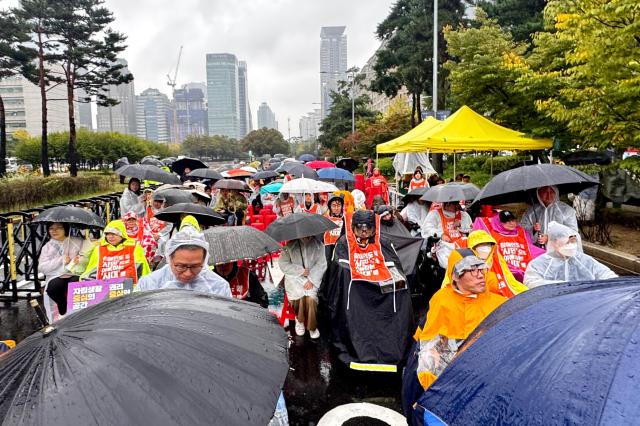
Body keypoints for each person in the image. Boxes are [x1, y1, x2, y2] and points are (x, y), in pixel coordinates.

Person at [402, 255, 506, 420]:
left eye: (482, 270)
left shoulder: (499, 303)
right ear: (456, 276)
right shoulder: (442, 300)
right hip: (447, 368)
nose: (481, 275)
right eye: (473, 270)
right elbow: (429, 340)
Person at [328, 210, 414, 370]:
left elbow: (395, 266)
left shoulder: (385, 243)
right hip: (356, 294)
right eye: (360, 227)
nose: (364, 231)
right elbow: (339, 272)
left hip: (383, 291)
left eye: (368, 227)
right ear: (353, 228)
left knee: (402, 294)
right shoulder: (343, 244)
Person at [136, 227, 232, 296]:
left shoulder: (218, 287)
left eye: (195, 267)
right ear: (170, 259)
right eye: (181, 266)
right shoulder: (149, 285)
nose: (188, 273)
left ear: (204, 261)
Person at [524, 221, 617, 288]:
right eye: (567, 242)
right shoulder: (540, 263)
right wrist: (563, 286)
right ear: (554, 242)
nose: (571, 246)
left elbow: (605, 273)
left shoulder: (583, 260)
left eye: (573, 242)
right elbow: (531, 282)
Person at [442, 231, 528, 298]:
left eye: (488, 245)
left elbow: (509, 280)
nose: (485, 248)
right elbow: (449, 284)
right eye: (481, 245)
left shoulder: (496, 258)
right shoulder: (461, 261)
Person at [473, 210, 545, 281]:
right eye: (506, 221)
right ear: (499, 222)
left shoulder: (520, 232)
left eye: (512, 220)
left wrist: (534, 230)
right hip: (504, 270)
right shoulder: (491, 234)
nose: (511, 223)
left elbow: (529, 247)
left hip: (523, 268)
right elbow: (481, 223)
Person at [278, 235, 327, 339]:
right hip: (294, 280)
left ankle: (312, 326)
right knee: (298, 296)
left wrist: (312, 280)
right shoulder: (290, 246)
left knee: (311, 299)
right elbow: (283, 264)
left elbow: (321, 264)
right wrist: (299, 271)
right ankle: (299, 321)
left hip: (312, 279)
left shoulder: (319, 246)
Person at [40, 222, 93, 316]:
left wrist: (79, 261)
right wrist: (61, 260)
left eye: (59, 228)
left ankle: (78, 313)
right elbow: (43, 267)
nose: (54, 231)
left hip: (76, 273)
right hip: (57, 275)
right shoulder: (47, 247)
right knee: (53, 288)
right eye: (51, 228)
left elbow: (88, 256)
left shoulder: (77, 241)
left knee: (75, 284)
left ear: (65, 229)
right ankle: (63, 307)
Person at [81, 219, 150, 283]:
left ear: (122, 234)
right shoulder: (99, 249)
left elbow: (144, 268)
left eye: (114, 234)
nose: (110, 237)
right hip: (105, 288)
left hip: (131, 287)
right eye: (108, 234)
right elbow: (91, 270)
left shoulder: (134, 247)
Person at [421, 201, 472, 268]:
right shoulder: (435, 214)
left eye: (458, 203)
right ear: (447, 204)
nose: (457, 206)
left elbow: (471, 229)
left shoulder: (463, 215)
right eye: (455, 203)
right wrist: (441, 235)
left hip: (463, 245)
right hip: (445, 247)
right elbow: (427, 229)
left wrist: (460, 225)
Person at [323, 194, 345, 261]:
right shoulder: (325, 218)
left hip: (341, 248)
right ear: (330, 207)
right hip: (328, 249)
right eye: (334, 206)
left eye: (338, 205)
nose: (336, 208)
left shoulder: (345, 219)